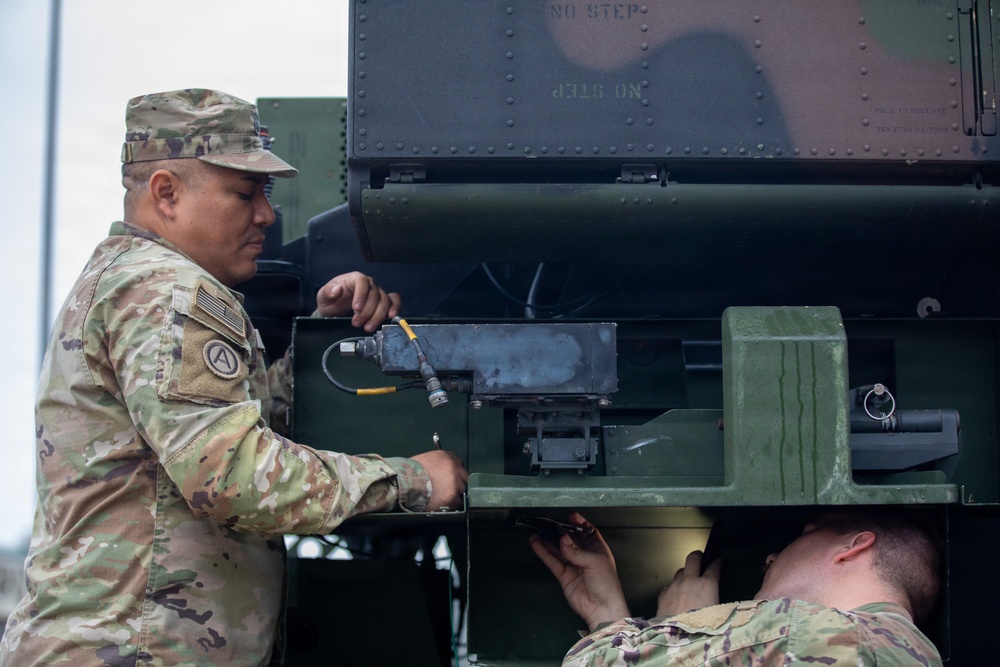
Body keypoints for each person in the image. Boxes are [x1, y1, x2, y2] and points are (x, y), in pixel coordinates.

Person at [0, 88, 468, 666]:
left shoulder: (128, 279)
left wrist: (326, 339)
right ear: (166, 193)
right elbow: (230, 474)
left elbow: (220, 432)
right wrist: (410, 481)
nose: (266, 214)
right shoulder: (169, 291)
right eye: (245, 193)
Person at [531, 509, 943, 666]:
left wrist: (681, 621)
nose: (771, 557)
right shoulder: (913, 653)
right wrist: (607, 616)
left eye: (803, 535)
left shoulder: (806, 631)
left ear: (853, 547)